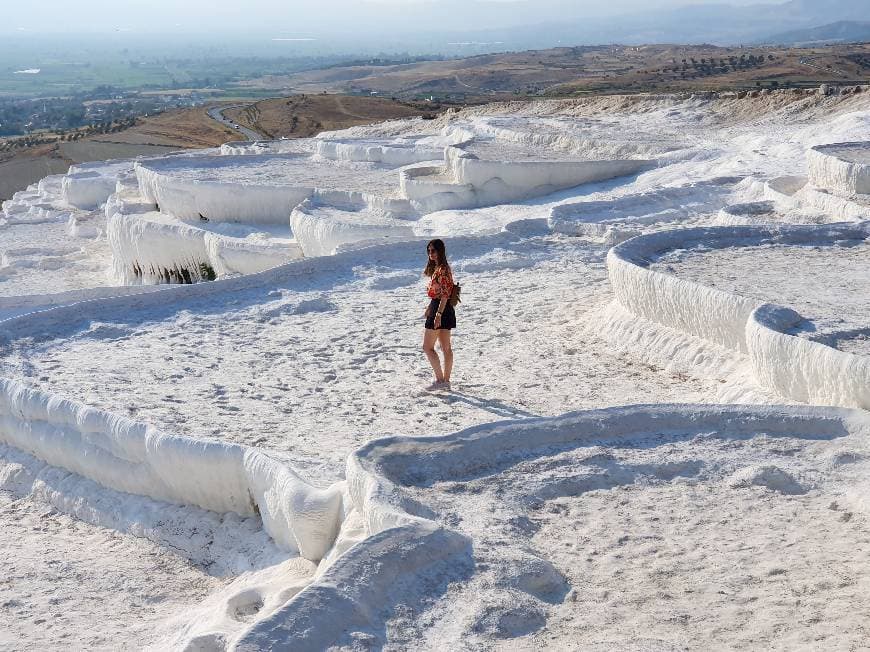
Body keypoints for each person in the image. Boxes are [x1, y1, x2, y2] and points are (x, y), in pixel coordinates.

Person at [422, 238, 456, 391]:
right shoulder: (440, 268)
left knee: (428, 347)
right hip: (443, 307)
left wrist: (438, 314)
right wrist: (430, 307)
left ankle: (440, 380)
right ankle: (445, 382)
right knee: (445, 347)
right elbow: (440, 293)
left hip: (441, 308)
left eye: (433, 251)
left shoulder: (442, 269)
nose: (431, 254)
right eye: (429, 251)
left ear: (440, 251)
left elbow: (444, 294)